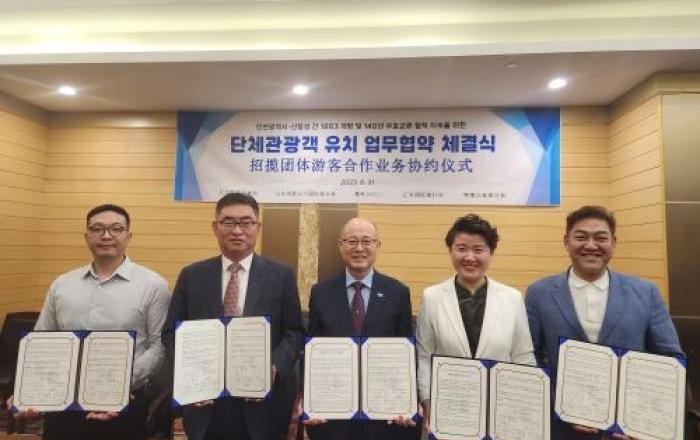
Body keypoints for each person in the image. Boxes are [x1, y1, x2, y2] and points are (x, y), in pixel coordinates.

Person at [13, 204, 171, 440]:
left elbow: (158, 346)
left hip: (123, 402)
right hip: (62, 402)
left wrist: (117, 385)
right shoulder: (62, 284)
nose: (106, 235)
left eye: (116, 228)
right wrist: (27, 389)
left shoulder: (153, 285)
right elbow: (41, 343)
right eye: (97, 229)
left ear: (129, 236)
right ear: (86, 237)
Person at [525, 205, 683, 439]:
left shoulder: (646, 292)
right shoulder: (539, 293)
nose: (591, 245)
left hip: (627, 431)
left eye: (600, 238)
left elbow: (670, 359)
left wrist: (641, 417)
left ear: (614, 243)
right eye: (581, 237)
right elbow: (530, 358)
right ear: (566, 241)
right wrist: (559, 405)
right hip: (561, 429)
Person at [162, 192, 304, 440]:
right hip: (205, 402)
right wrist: (190, 373)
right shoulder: (192, 276)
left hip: (261, 404)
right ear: (215, 227)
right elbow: (171, 332)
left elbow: (294, 331)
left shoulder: (281, 276)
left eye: (246, 222)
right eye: (228, 222)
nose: (237, 230)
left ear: (258, 227)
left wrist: (274, 366)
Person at [416, 214, 535, 430]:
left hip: (500, 410)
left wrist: (525, 408)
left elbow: (523, 357)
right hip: (448, 410)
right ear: (450, 251)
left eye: (478, 250)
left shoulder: (512, 298)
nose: (470, 257)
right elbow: (424, 356)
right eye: (461, 249)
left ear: (490, 253)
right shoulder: (432, 297)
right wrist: (428, 400)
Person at [305, 217, 418, 440]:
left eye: (366, 241)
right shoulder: (321, 293)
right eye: (352, 241)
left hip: (383, 416)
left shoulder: (398, 292)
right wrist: (309, 400)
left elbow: (407, 354)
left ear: (378, 245)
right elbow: (311, 351)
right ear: (340, 245)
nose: (359, 248)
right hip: (332, 414)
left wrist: (407, 403)